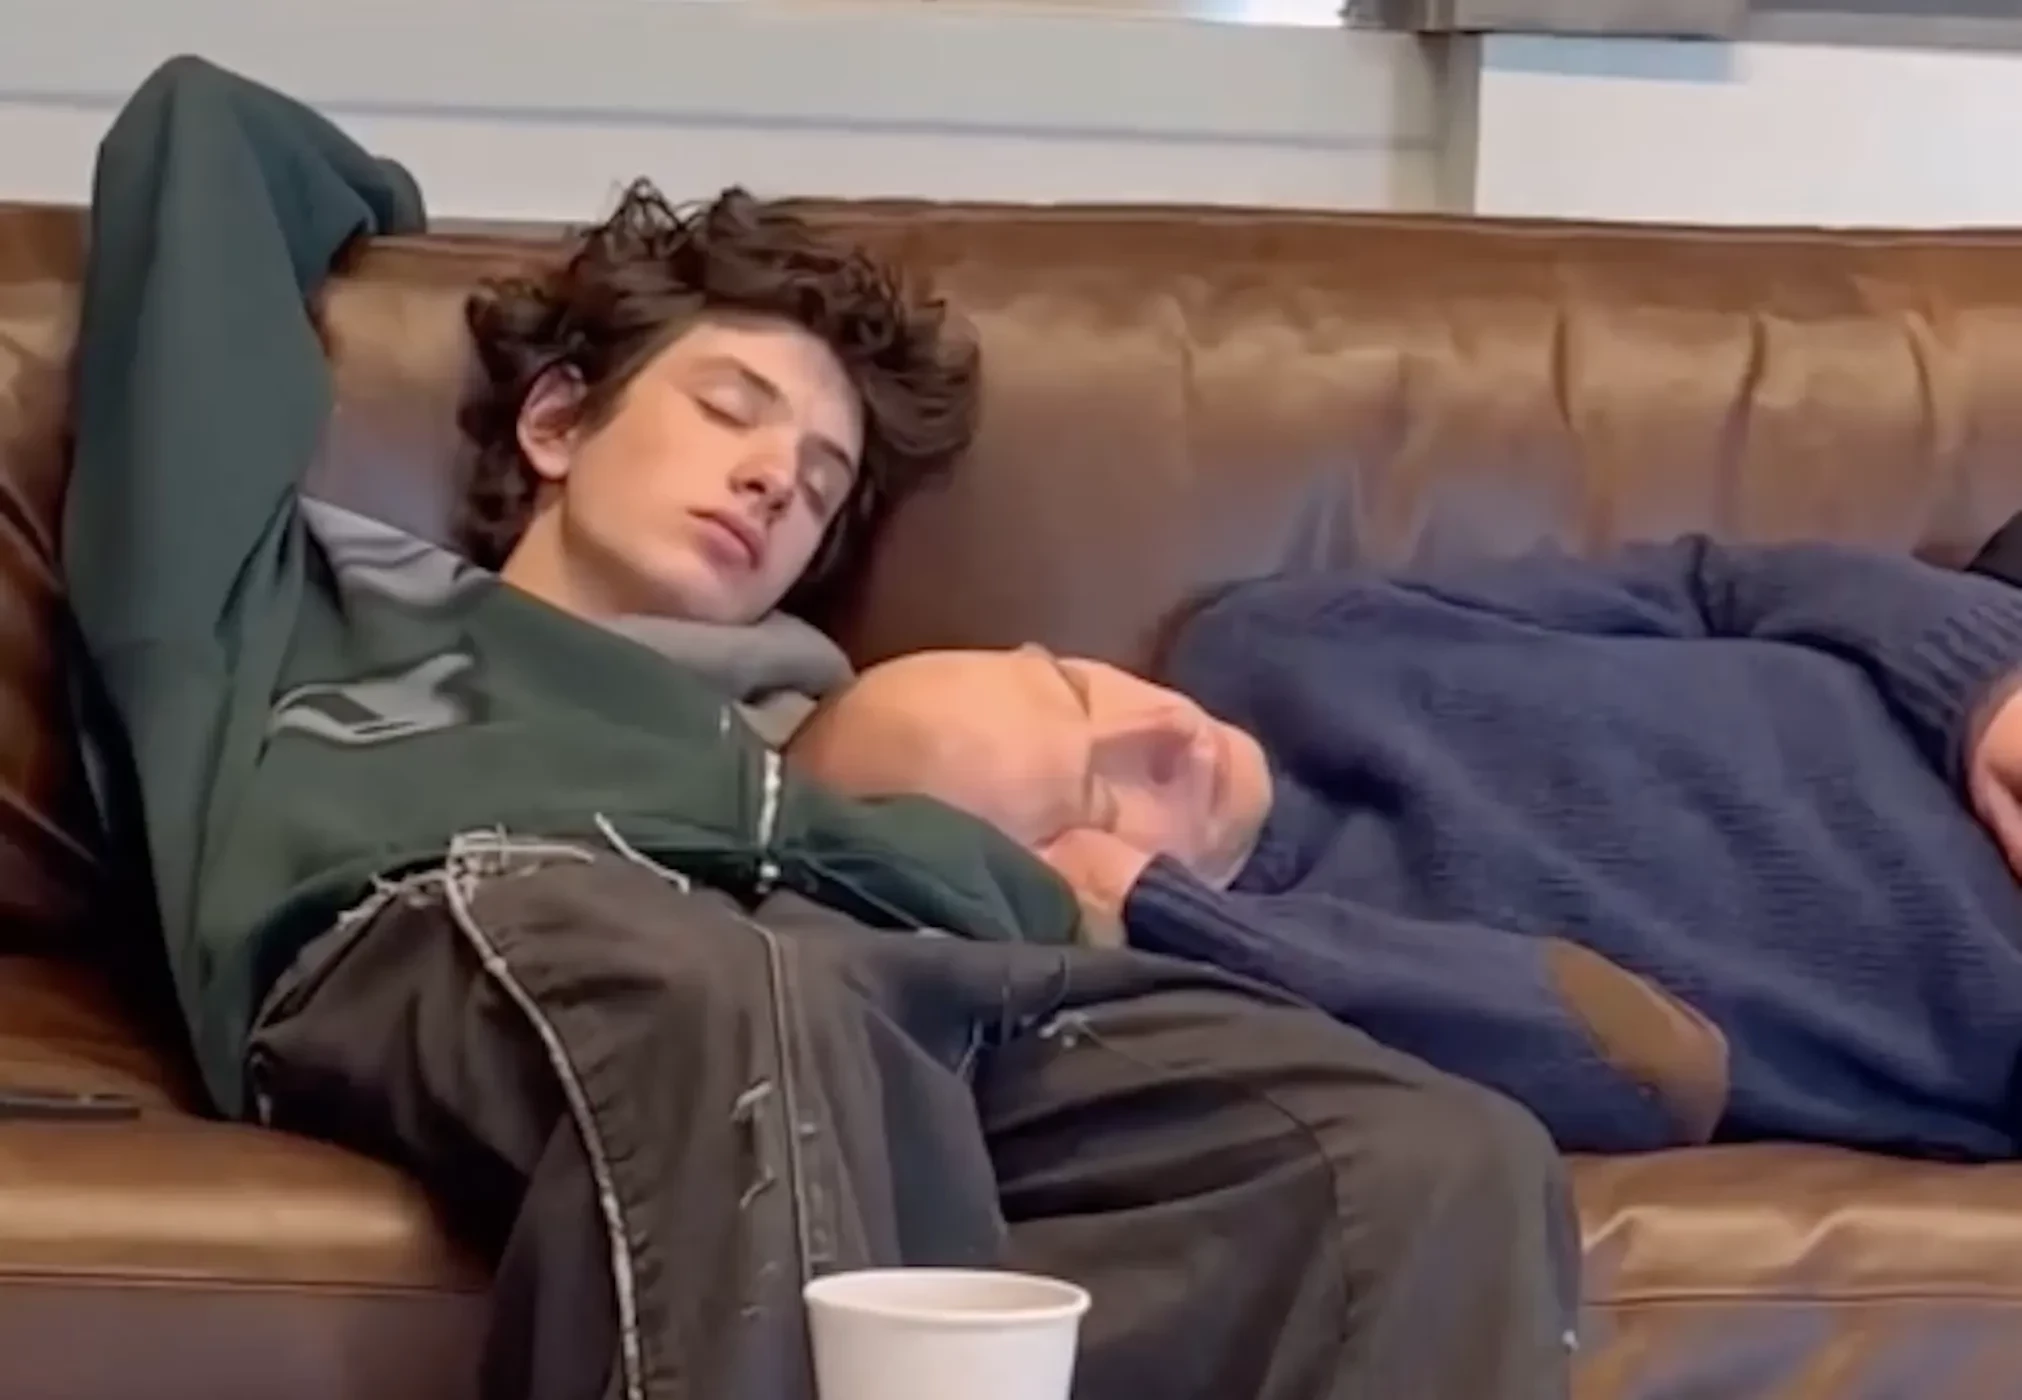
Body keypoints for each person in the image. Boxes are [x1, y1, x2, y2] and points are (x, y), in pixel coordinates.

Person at [61, 56, 1581, 1400]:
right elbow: (203, 129)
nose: (773, 476)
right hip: (471, 924)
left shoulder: (817, 752)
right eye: (730, 408)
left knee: (1434, 1162)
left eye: (819, 480)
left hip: (855, 1000)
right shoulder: (293, 601)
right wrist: (401, 227)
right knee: (747, 999)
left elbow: (1034, 925)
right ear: (558, 421)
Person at [789, 532, 2022, 1161]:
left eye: (1074, 685)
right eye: (1096, 797)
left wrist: (1986, 683)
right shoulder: (1290, 987)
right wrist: (1168, 918)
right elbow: (1647, 1061)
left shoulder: (1277, 632)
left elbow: (1718, 581)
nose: (1158, 730)